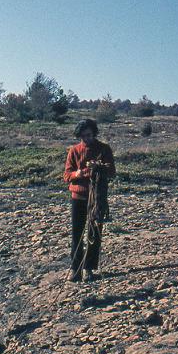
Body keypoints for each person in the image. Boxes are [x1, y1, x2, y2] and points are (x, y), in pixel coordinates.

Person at [64, 119, 116, 282]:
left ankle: (89, 269)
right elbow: (67, 175)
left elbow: (112, 172)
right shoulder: (74, 150)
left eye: (88, 135)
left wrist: (99, 167)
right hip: (78, 197)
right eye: (82, 136)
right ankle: (76, 270)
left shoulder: (104, 149)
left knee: (94, 233)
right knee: (76, 233)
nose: (85, 139)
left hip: (97, 198)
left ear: (94, 133)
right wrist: (78, 174)